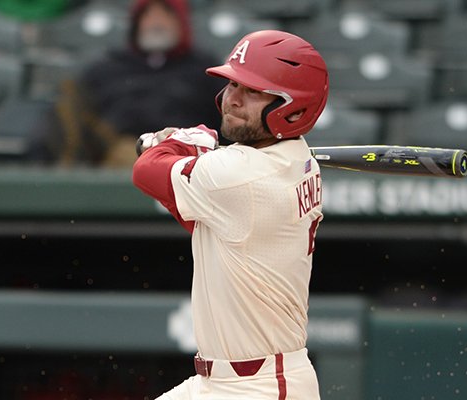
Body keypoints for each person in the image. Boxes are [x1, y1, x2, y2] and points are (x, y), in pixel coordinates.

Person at [132, 30, 329, 399]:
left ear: (294, 106)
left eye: (253, 91)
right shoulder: (295, 160)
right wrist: (196, 152)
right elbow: (203, 222)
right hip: (223, 382)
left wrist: (184, 141)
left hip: (260, 388)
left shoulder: (241, 176)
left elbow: (145, 170)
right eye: (233, 85)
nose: (232, 100)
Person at [32, 0, 223, 167]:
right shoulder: (106, 69)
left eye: (166, 14)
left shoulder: (204, 70)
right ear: (136, 23)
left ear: (181, 22)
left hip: (184, 157)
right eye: (147, 15)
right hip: (116, 158)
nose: (156, 22)